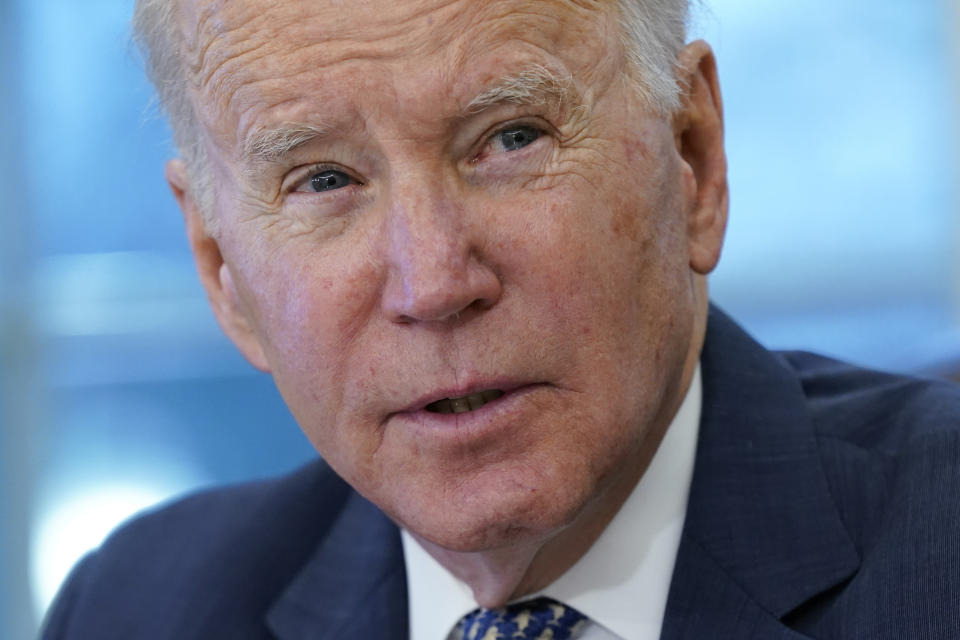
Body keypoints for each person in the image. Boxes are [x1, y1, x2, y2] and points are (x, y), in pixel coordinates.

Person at [42, 0, 960, 638]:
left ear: (694, 159)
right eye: (324, 180)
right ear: (222, 272)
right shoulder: (136, 609)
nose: (435, 282)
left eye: (511, 138)